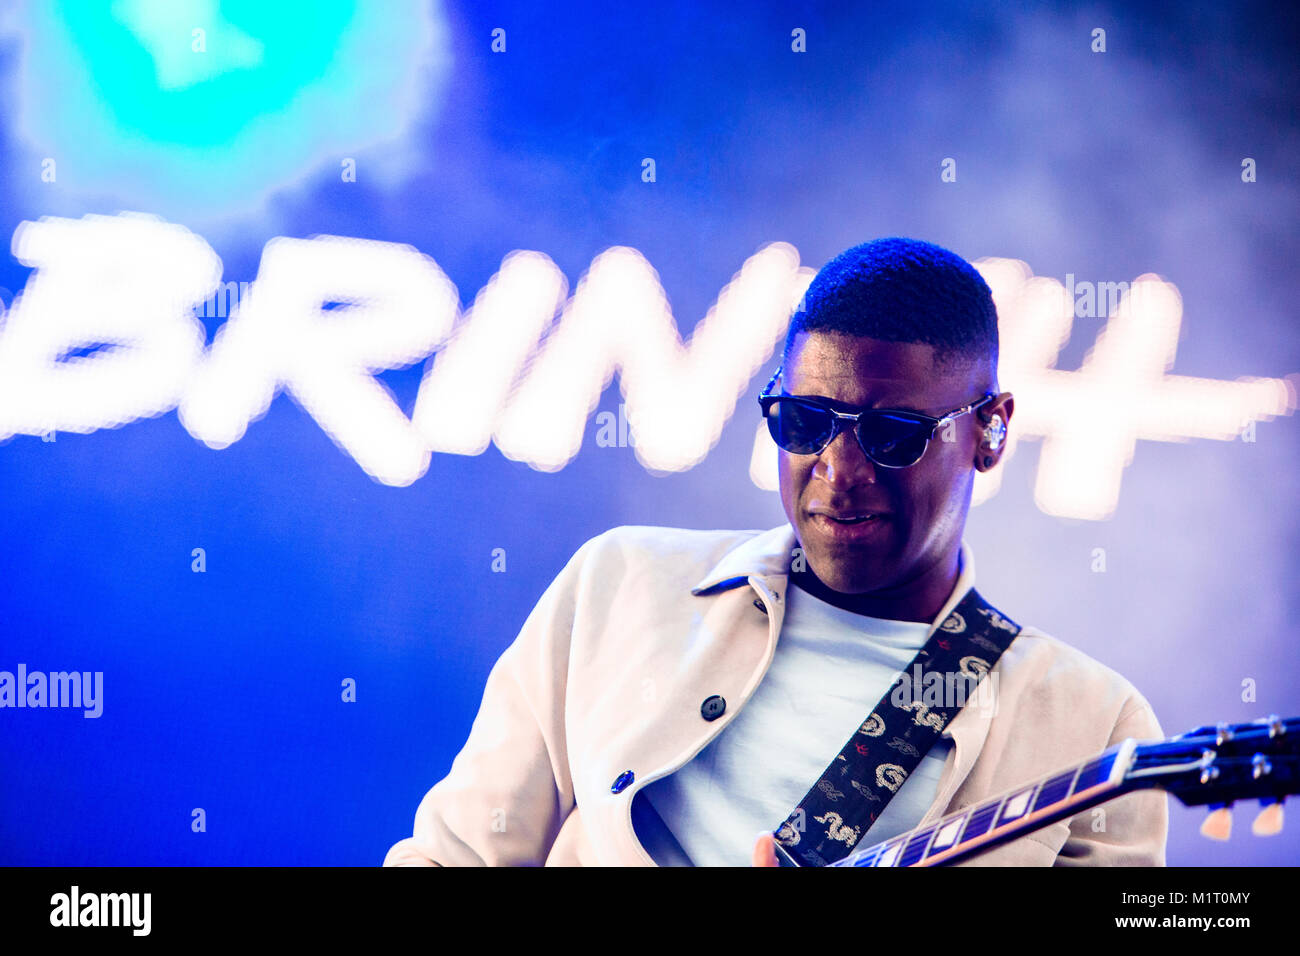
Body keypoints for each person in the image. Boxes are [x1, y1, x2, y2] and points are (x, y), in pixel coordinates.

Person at [384, 237, 1168, 867]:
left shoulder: (1095, 729)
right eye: (804, 422)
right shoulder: (614, 587)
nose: (838, 470)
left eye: (892, 436)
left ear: (990, 432)